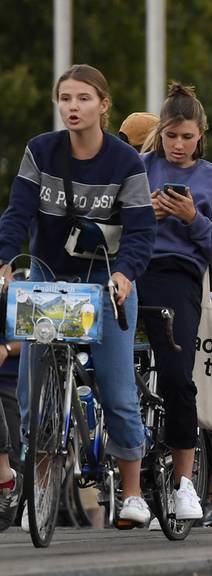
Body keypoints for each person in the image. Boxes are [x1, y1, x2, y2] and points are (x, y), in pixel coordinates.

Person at [0, 64, 156, 527]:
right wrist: (4, 258)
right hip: (50, 284)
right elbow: (18, 213)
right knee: (33, 394)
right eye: (66, 97)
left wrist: (127, 274)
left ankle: (131, 493)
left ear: (104, 105)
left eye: (84, 98)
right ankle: (41, 490)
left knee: (118, 392)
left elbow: (142, 231)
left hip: (106, 284)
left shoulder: (126, 163)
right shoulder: (41, 152)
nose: (73, 106)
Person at [138, 82, 212, 520]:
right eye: (171, 136)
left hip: (180, 274)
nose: (179, 145)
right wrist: (139, 214)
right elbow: (107, 217)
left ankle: (184, 482)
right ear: (160, 133)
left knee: (178, 373)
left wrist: (193, 219)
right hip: (131, 268)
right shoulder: (138, 166)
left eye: (187, 137)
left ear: (200, 135)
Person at [0, 336, 21, 531]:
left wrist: (6, 348)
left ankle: (8, 480)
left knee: (13, 451)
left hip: (9, 379)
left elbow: (32, 337)